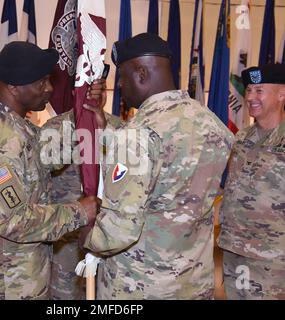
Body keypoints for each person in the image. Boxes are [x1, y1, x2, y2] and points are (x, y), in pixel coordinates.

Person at [82, 33, 235, 299]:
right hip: (193, 282)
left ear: (141, 73)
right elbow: (173, 171)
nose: (120, 85)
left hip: (140, 287)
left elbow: (117, 232)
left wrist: (86, 231)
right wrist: (108, 134)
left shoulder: (136, 135)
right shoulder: (212, 124)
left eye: (123, 77)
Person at [0, 41, 101, 300]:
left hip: (17, 271)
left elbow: (46, 151)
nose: (49, 89)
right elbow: (13, 221)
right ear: (13, 87)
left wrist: (84, 108)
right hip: (2, 281)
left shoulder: (15, 126)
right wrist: (79, 212)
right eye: (41, 83)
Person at [217, 63, 285, 300]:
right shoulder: (241, 138)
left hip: (273, 260)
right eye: (248, 91)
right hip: (234, 250)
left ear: (281, 94)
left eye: (259, 90)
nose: (250, 97)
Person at [42, 107, 123, 300]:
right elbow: (41, 181)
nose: (95, 93)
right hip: (66, 238)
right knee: (64, 297)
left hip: (109, 238)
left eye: (101, 87)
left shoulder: (120, 128)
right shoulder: (54, 129)